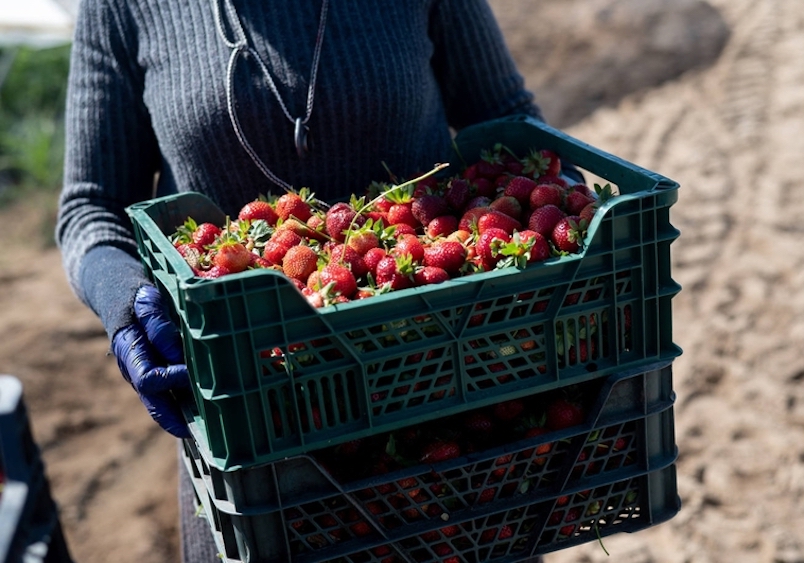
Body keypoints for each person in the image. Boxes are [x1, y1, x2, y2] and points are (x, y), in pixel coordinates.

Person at [57, 0, 569, 560]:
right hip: (254, 430)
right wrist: (123, 297)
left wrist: (574, 221)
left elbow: (505, 118)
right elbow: (90, 207)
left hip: (447, 401)